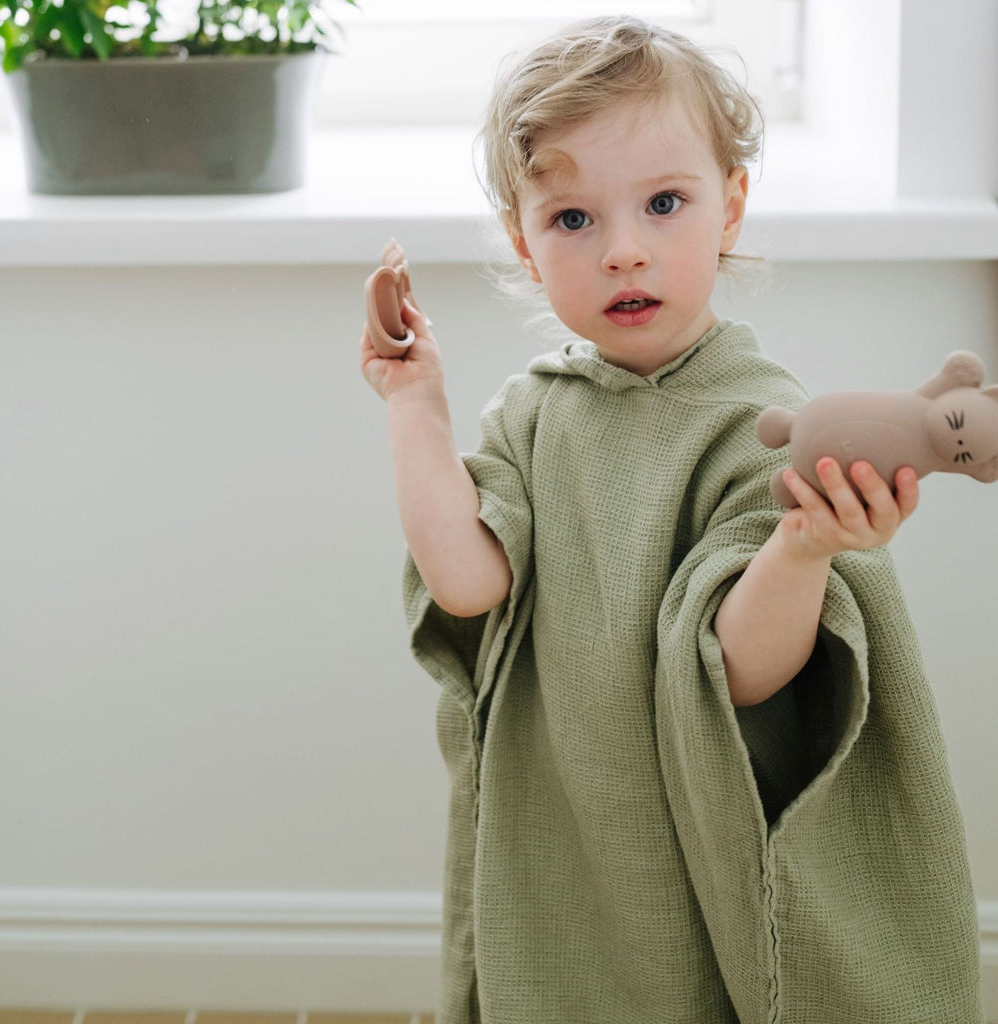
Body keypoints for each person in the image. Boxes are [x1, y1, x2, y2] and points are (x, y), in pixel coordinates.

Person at [360, 16, 982, 1024]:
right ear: (523, 239)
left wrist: (805, 543)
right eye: (572, 220)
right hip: (567, 827)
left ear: (729, 207)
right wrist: (414, 410)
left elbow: (738, 670)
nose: (623, 252)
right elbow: (468, 584)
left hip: (702, 834)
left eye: (662, 203)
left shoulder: (758, 420)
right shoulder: (529, 414)